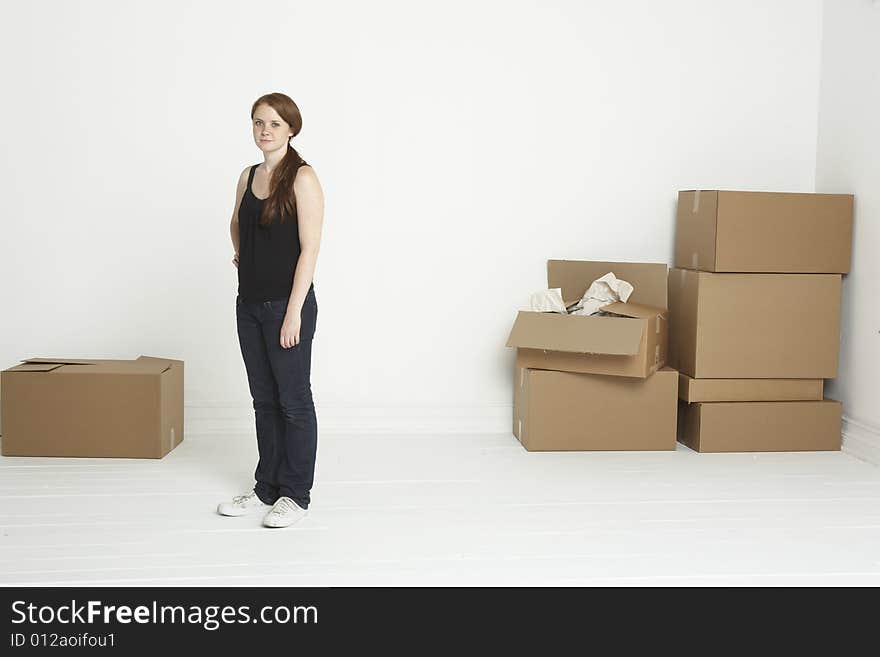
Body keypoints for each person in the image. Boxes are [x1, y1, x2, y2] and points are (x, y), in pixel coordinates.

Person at [216, 93, 324, 529]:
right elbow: (236, 222)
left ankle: (295, 494)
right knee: (264, 401)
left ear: (291, 129)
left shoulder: (303, 178)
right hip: (249, 305)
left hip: (287, 306)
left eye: (275, 124)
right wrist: (243, 254)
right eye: (259, 122)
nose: (265, 130)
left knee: (293, 402)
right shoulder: (248, 175)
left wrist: (294, 311)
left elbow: (310, 248)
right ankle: (266, 488)